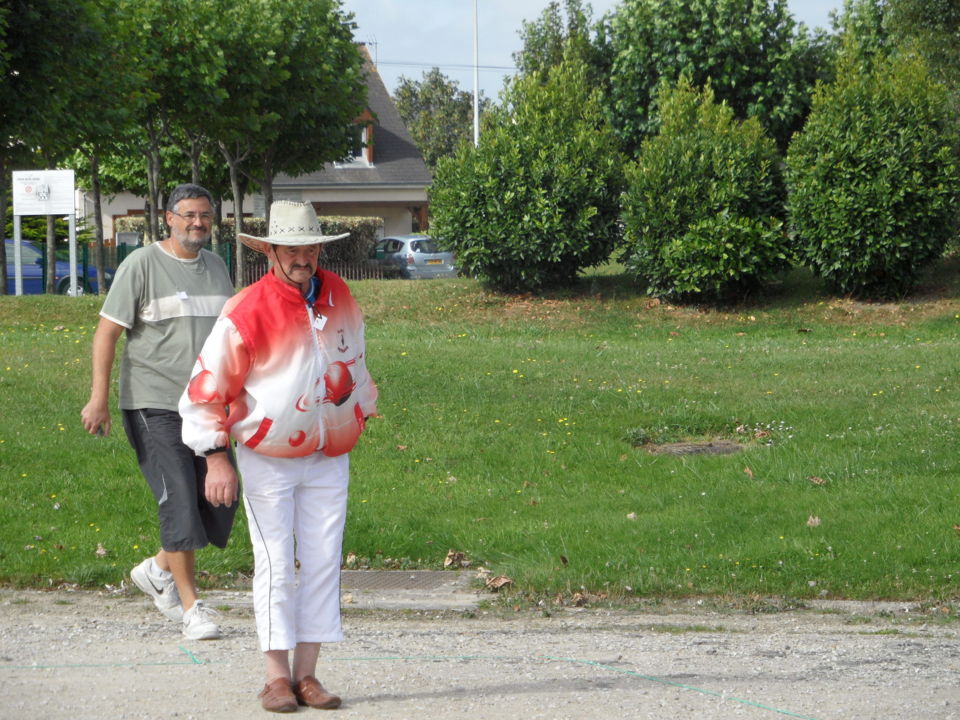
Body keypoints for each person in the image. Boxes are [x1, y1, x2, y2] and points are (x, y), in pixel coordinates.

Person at [179, 201, 378, 712]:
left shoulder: (339, 293)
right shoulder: (246, 309)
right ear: (270, 251)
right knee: (275, 563)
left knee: (322, 560)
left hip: (329, 453)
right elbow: (206, 389)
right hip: (267, 456)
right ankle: (275, 677)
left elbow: (352, 356)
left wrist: (361, 408)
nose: (301, 257)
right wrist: (216, 457)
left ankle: (307, 675)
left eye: (309, 247)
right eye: (290, 248)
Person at [80, 183, 237, 641]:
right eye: (188, 215)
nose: (198, 223)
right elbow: (106, 333)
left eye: (205, 216)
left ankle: (156, 568)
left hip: (207, 409)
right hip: (154, 403)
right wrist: (98, 398)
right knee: (180, 503)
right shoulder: (140, 265)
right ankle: (191, 607)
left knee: (218, 502)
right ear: (168, 218)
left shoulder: (216, 267)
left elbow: (229, 337)